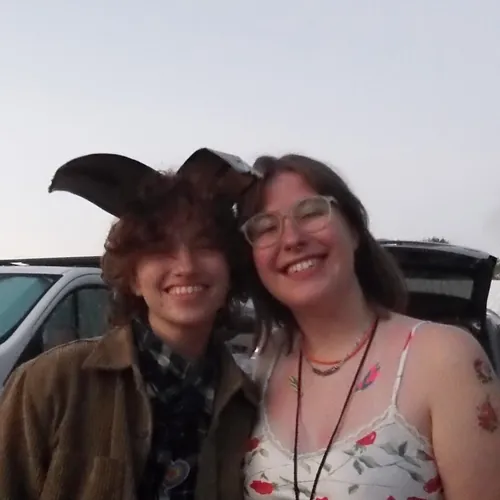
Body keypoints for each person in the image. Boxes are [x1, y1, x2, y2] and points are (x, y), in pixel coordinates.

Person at [238, 154, 500, 499]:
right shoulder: (262, 365)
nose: (291, 239)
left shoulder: (445, 359)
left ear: (354, 229)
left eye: (311, 212)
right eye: (266, 227)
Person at [0, 169, 258, 500]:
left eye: (205, 246)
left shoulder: (247, 405)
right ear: (133, 278)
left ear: (230, 271)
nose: (186, 266)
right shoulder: (52, 382)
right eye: (160, 249)